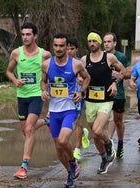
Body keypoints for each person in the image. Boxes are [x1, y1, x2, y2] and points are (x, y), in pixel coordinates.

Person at [41, 33, 90, 187]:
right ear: (53, 46)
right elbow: (43, 82)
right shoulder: (47, 64)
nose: (59, 48)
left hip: (70, 109)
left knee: (63, 141)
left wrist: (81, 92)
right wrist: (44, 91)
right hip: (54, 111)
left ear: (67, 47)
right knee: (58, 148)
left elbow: (87, 78)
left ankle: (73, 163)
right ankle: (70, 173)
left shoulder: (75, 64)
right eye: (56, 45)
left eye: (62, 46)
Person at [6, 22, 51, 179]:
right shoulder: (16, 54)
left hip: (36, 95)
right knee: (25, 129)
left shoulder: (45, 55)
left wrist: (46, 91)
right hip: (22, 96)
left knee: (29, 129)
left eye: (28, 34)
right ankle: (46, 121)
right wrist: (15, 81)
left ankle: (24, 167)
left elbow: (50, 74)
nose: (25, 37)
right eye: (23, 34)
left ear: (35, 35)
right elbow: (9, 71)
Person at [81, 31, 126, 174]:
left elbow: (123, 71)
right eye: (89, 41)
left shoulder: (109, 57)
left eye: (94, 41)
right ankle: (104, 158)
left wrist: (115, 83)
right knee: (95, 136)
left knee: (98, 130)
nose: (92, 43)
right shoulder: (84, 59)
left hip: (105, 100)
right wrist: (80, 81)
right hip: (90, 101)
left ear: (99, 42)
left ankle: (109, 143)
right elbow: (79, 76)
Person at [103, 32, 130, 159]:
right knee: (105, 120)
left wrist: (118, 77)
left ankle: (120, 144)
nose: (107, 44)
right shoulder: (100, 56)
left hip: (118, 94)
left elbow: (126, 73)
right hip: (103, 94)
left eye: (109, 41)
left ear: (114, 43)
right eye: (105, 42)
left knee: (118, 121)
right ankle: (109, 145)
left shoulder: (121, 56)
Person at [67, 37, 90, 161]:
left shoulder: (80, 63)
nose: (69, 51)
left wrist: (81, 83)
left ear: (76, 50)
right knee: (69, 123)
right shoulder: (60, 63)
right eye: (67, 49)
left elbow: (88, 78)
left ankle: (76, 150)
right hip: (64, 98)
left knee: (75, 121)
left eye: (72, 49)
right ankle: (83, 133)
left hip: (78, 95)